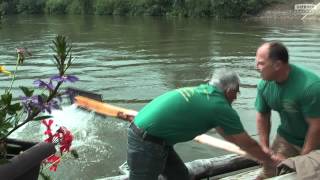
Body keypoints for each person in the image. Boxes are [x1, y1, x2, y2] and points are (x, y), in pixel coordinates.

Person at [124, 69, 279, 180]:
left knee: (179, 176)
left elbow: (231, 137)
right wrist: (269, 160)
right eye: (237, 92)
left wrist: (256, 154)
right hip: (147, 142)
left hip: (156, 138)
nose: (236, 97)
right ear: (230, 89)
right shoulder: (219, 106)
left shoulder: (205, 94)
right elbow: (247, 142)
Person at [255, 41, 320, 179]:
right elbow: (263, 114)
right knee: (269, 173)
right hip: (287, 137)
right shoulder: (264, 85)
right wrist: (264, 147)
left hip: (317, 141)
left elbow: (316, 125)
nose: (256, 67)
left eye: (261, 63)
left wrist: (304, 157)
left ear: (277, 65)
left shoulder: (310, 87)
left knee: (306, 174)